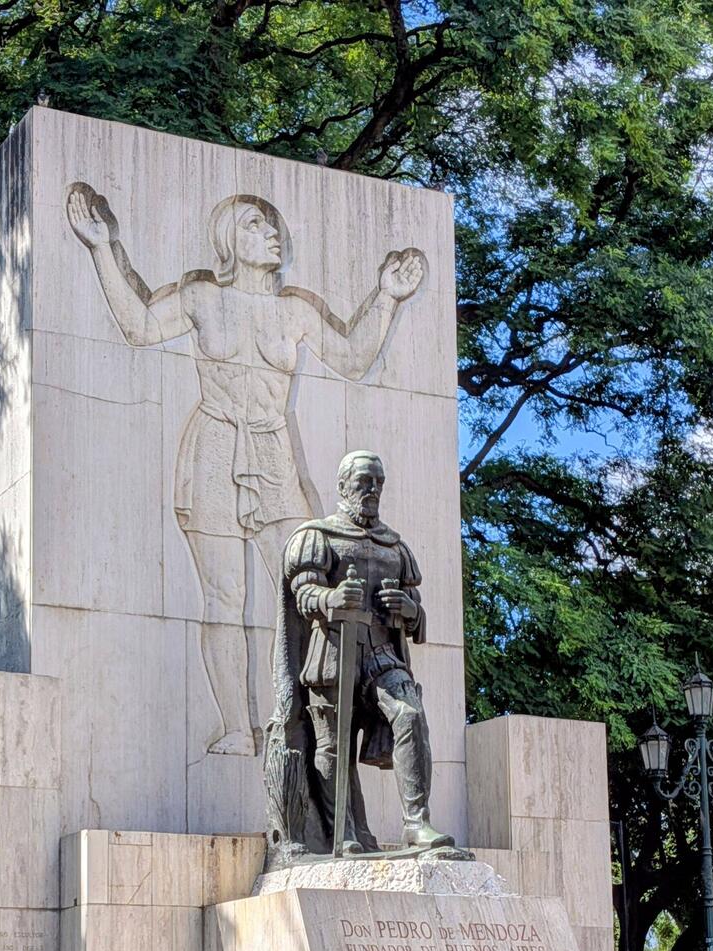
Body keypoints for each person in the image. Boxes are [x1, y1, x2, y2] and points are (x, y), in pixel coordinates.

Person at [67, 184, 425, 755]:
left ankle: (312, 722)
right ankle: (238, 724)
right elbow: (136, 326)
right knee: (222, 596)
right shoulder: (202, 297)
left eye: (275, 226)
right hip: (213, 449)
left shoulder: (296, 310)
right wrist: (102, 247)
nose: (273, 234)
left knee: (306, 588)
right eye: (257, 225)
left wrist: (388, 297)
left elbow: (355, 359)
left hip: (275, 454)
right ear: (230, 240)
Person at [265, 450, 451, 856]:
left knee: (411, 716)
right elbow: (303, 593)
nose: (372, 489)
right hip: (333, 655)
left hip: (383, 655)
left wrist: (411, 610)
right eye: (365, 481)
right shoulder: (317, 536)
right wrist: (332, 597)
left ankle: (417, 824)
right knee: (333, 746)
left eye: (379, 482)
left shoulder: (394, 546)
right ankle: (342, 832)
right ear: (343, 485)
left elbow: (415, 606)